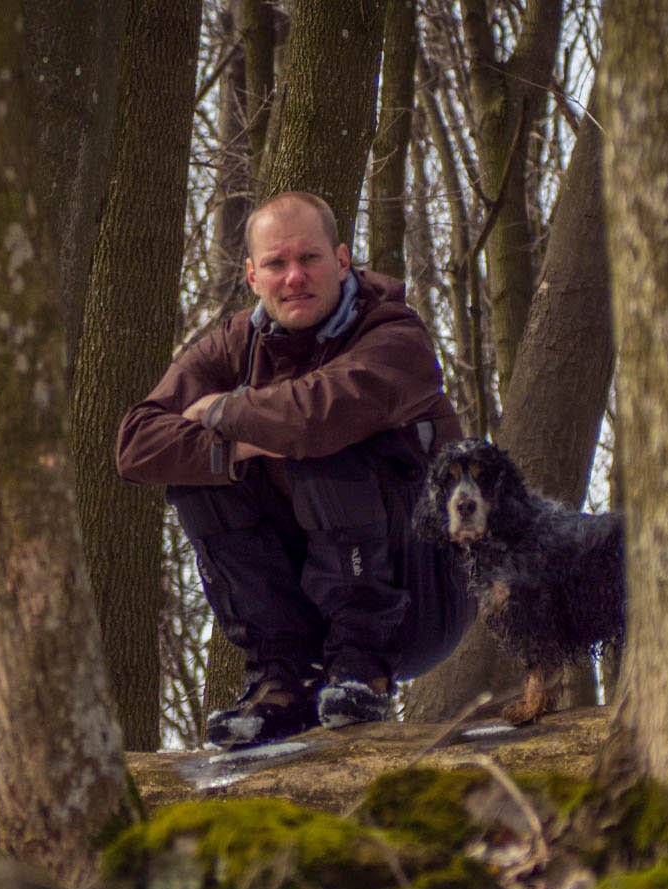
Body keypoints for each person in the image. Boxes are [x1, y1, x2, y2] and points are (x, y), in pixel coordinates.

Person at [116, 191, 473, 748]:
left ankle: (362, 668)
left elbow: (315, 419)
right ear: (252, 275)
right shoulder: (234, 346)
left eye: (308, 259)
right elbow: (136, 444)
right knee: (202, 469)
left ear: (342, 260)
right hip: (311, 594)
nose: (294, 277)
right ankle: (283, 677)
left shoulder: (397, 335)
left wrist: (223, 412)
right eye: (277, 264)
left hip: (420, 597)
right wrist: (233, 450)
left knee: (316, 439)